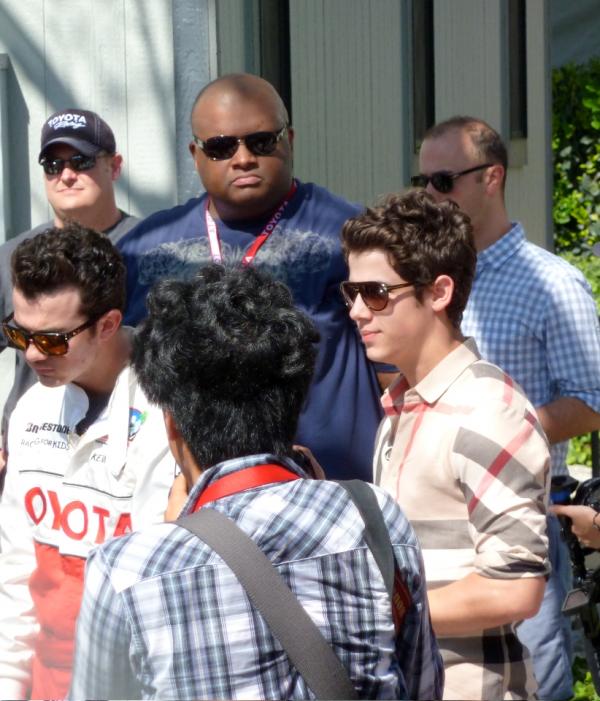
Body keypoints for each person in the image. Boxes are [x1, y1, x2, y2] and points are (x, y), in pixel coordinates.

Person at [69, 264, 443, 700]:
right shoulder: (374, 516)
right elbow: (421, 684)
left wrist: (172, 534)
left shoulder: (126, 569)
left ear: (172, 426)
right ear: (293, 403)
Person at [116, 73, 394, 481]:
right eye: (221, 147)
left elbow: (396, 370)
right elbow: (114, 371)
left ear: (289, 140)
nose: (243, 158)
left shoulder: (349, 234)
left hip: (331, 487)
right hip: (202, 492)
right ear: (195, 154)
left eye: (262, 141)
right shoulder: (146, 250)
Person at [415, 115, 600, 700]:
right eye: (422, 182)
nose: (430, 196)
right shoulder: (424, 281)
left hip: (523, 511)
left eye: (443, 181)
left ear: (491, 177)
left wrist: (488, 434)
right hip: (432, 517)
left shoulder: (552, 283)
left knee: (535, 680)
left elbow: (592, 402)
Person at [341, 190, 550, 700]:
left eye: (375, 293)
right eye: (350, 292)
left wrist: (371, 616)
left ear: (438, 292)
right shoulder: (401, 404)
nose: (357, 312)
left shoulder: (488, 409)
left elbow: (515, 588)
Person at [0, 225, 175, 700]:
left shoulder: (170, 411)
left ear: (108, 324)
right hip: (46, 679)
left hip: (130, 683)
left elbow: (157, 587)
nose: (32, 354)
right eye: (18, 333)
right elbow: (16, 573)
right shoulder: (30, 408)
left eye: (54, 340)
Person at [0, 108, 138, 472]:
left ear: (115, 166)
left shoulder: (153, 250)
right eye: (52, 165)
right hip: (33, 448)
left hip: (129, 448)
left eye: (81, 161)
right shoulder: (12, 258)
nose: (66, 175)